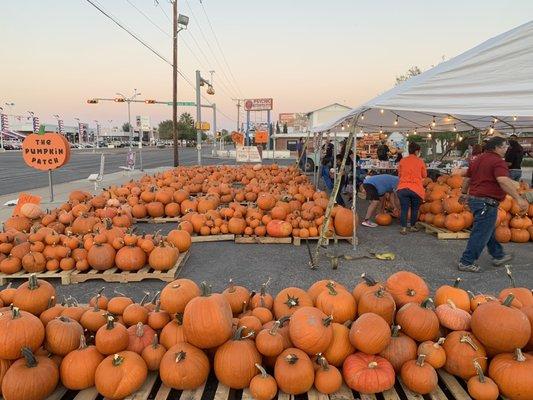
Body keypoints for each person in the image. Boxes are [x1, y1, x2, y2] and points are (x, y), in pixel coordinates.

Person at [458, 136, 528, 272]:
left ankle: (498, 255)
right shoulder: (498, 161)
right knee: (481, 232)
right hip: (486, 202)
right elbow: (502, 180)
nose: (506, 149)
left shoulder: (477, 159)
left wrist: (464, 193)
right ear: (496, 148)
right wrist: (518, 198)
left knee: (486, 229)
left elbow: (468, 178)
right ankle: (466, 261)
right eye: (504, 146)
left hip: (476, 200)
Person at [397, 142, 427, 234]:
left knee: (404, 208)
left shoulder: (402, 160)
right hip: (416, 189)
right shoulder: (420, 161)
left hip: (402, 188)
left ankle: (403, 228)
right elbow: (424, 175)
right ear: (417, 151)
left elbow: (399, 174)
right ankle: (413, 226)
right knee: (415, 209)